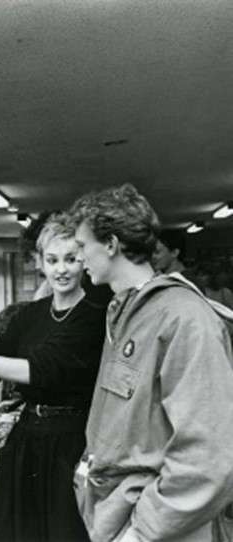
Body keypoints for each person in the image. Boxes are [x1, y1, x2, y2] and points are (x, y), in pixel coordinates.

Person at [70, 184, 233, 542]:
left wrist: (142, 532)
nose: (78, 257)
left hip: (160, 529)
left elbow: (208, 457)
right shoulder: (124, 311)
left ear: (111, 244)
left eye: (82, 246)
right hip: (119, 514)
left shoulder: (183, 317)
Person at [0, 212, 106, 542]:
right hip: (26, 440)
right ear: (40, 263)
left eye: (71, 259)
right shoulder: (29, 315)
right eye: (52, 260)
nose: (61, 269)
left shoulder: (93, 318)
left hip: (71, 442)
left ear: (84, 261)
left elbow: (40, 368)